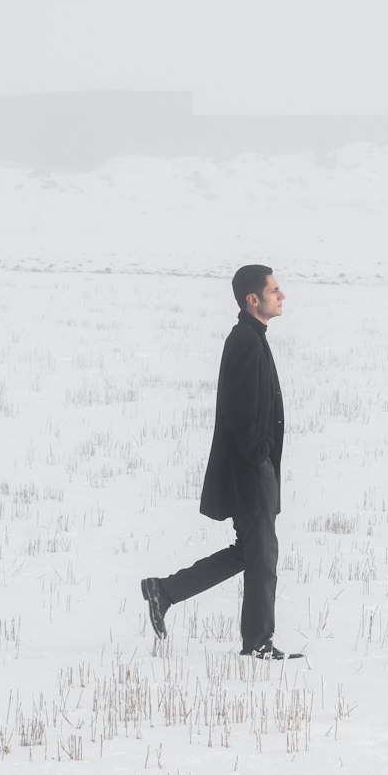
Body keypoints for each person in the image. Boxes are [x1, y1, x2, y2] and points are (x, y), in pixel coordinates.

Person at [141, 264, 300, 660]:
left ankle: (165, 591)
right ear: (253, 300)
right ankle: (259, 644)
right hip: (250, 471)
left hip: (253, 468)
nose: (282, 296)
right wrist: (259, 458)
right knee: (261, 558)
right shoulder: (246, 340)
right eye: (275, 290)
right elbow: (240, 414)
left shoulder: (251, 336)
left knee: (249, 552)